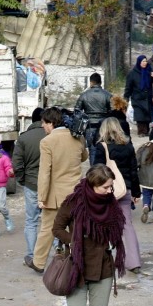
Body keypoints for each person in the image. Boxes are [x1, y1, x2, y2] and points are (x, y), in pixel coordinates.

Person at [52, 165, 126, 306]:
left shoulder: (110, 204)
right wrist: (73, 241)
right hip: (77, 268)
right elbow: (56, 229)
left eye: (110, 186)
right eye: (105, 187)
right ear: (93, 185)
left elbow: (117, 228)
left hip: (103, 268)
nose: (109, 191)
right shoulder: (74, 202)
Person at [34, 106, 88, 272]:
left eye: (44, 123)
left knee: (48, 229)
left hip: (55, 196)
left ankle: (38, 262)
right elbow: (84, 156)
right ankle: (74, 258)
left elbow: (45, 172)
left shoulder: (47, 142)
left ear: (50, 123)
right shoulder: (78, 138)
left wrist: (41, 197)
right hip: (76, 193)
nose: (43, 126)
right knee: (75, 227)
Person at [95, 118, 142, 273]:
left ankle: (100, 260)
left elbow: (96, 171)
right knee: (127, 225)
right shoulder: (128, 146)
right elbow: (134, 171)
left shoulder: (102, 147)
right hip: (125, 189)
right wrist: (136, 192)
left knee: (101, 224)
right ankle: (134, 261)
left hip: (106, 191)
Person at [13, 108, 47, 270]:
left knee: (31, 221)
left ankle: (32, 255)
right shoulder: (51, 136)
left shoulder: (24, 138)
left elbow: (17, 164)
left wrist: (22, 180)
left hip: (32, 185)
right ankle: (57, 252)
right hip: (50, 186)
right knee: (51, 221)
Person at [74, 72, 112, 160]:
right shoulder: (107, 95)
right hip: (104, 126)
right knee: (105, 149)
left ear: (91, 82)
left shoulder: (84, 95)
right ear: (101, 82)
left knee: (92, 150)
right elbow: (113, 111)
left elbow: (77, 111)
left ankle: (94, 171)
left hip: (89, 126)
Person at [124, 55, 153, 137]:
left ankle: (146, 130)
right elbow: (128, 87)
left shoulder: (149, 71)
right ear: (139, 62)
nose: (145, 63)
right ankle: (141, 131)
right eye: (143, 61)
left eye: (145, 61)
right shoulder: (132, 73)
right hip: (137, 98)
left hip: (148, 98)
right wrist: (126, 97)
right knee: (140, 116)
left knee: (147, 115)